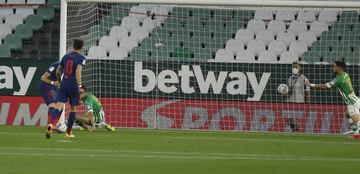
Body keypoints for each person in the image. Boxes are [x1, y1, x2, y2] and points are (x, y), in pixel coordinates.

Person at [306, 61, 360, 139]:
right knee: (347, 114)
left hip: (352, 103)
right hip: (355, 99)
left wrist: (310, 84)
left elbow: (325, 86)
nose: (333, 68)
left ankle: (357, 133)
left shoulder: (339, 79)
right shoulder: (345, 74)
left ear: (339, 67)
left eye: (334, 66)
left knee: (357, 122)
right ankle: (356, 134)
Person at [46, 39, 86, 139]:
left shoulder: (65, 56)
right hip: (73, 84)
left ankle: (51, 124)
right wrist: (80, 86)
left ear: (73, 46)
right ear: (81, 47)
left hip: (64, 83)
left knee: (59, 105)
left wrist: (59, 82)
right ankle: (68, 133)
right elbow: (78, 72)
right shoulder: (81, 58)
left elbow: (58, 71)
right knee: (73, 108)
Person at [284, 61, 311, 132]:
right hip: (289, 102)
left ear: (300, 68)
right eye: (293, 67)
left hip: (299, 103)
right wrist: (284, 93)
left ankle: (296, 131)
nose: (294, 68)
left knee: (296, 121)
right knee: (290, 120)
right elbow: (287, 92)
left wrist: (307, 103)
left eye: (296, 67)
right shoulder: (289, 79)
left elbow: (307, 92)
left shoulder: (304, 79)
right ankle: (294, 131)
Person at [39, 61, 61, 131]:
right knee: (52, 105)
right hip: (45, 86)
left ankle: (53, 125)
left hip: (51, 87)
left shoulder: (66, 67)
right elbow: (43, 77)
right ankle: (49, 126)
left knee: (60, 105)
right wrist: (53, 83)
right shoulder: (55, 65)